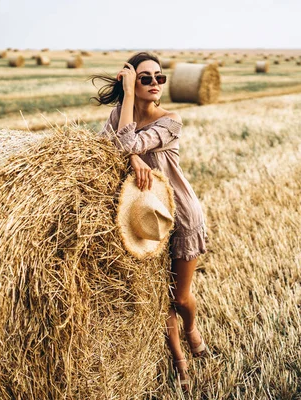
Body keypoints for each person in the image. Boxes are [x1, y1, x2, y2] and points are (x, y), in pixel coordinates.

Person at [92, 52, 209, 391]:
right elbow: (104, 148)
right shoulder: (119, 115)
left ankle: (190, 328)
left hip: (181, 215)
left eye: (160, 77)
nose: (156, 84)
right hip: (142, 217)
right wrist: (131, 156)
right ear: (130, 81)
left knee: (180, 298)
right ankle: (179, 362)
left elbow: (125, 142)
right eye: (146, 78)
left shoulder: (171, 120)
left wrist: (128, 149)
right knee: (160, 298)